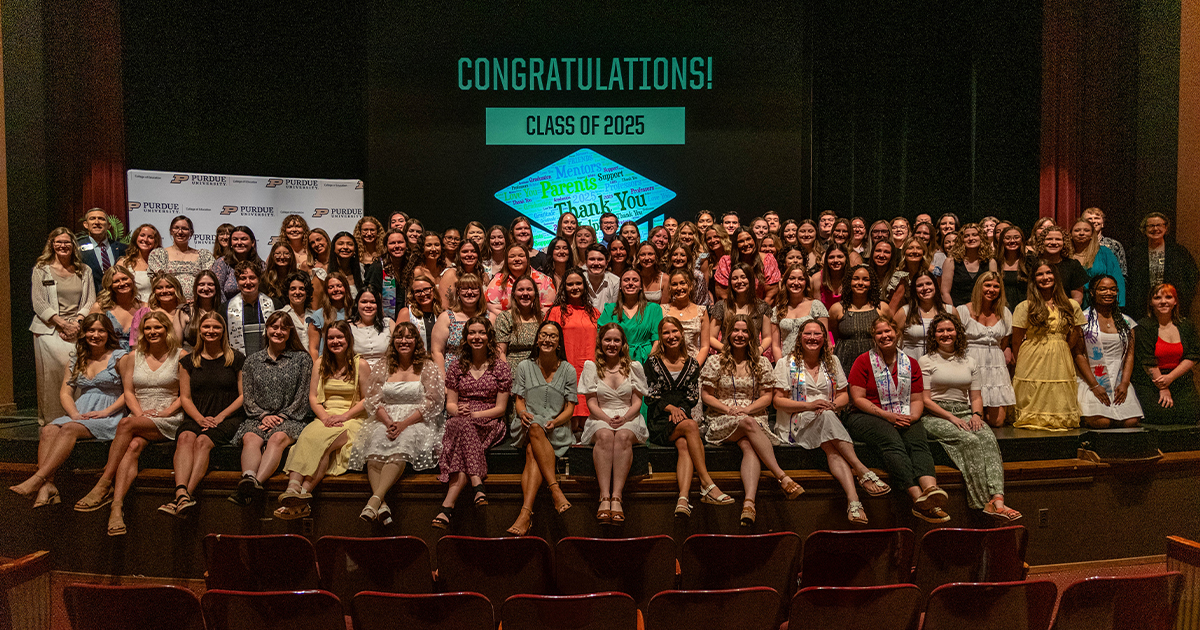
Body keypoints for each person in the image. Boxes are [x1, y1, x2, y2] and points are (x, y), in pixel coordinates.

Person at [773, 319, 889, 525]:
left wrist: (832, 405)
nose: (812, 338)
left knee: (830, 446)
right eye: (807, 334)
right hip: (797, 422)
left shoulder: (832, 362)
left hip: (826, 419)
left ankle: (853, 500)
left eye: (817, 334)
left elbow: (844, 395)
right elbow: (778, 401)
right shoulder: (785, 363)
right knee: (826, 418)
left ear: (824, 338)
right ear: (800, 338)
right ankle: (861, 469)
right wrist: (810, 406)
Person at [10, 314, 125, 508]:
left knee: (70, 429)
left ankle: (38, 479)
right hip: (81, 411)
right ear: (84, 333)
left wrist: (106, 412)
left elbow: (130, 392)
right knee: (48, 429)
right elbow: (65, 392)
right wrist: (74, 414)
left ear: (108, 333)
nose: (95, 335)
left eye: (100, 330)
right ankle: (49, 485)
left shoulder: (120, 357)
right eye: (91, 330)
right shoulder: (77, 358)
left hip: (111, 413)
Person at [701, 316, 804, 526]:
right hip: (721, 418)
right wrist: (729, 409)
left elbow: (767, 396)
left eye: (745, 331)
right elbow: (707, 395)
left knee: (749, 446)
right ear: (728, 335)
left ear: (752, 336)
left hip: (753, 415)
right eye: (736, 331)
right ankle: (782, 476)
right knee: (748, 424)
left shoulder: (761, 362)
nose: (740, 335)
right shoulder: (715, 360)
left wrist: (747, 409)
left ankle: (749, 503)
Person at [846, 316, 949, 523]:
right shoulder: (864, 361)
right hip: (866, 415)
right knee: (892, 439)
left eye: (888, 331)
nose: (885, 336)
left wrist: (912, 418)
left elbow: (917, 398)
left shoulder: (909, 363)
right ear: (873, 337)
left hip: (902, 414)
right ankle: (917, 498)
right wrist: (887, 416)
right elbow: (857, 399)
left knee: (918, 439)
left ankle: (931, 489)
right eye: (879, 333)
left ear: (896, 333)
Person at [918, 312, 1020, 521]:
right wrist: (951, 418)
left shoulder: (969, 360)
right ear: (934, 335)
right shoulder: (926, 361)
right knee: (970, 441)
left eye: (949, 329)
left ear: (957, 332)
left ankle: (998, 499)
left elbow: (976, 396)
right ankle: (982, 502)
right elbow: (926, 400)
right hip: (935, 414)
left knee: (988, 438)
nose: (946, 334)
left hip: (965, 412)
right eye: (940, 330)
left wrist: (976, 415)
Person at [96, 312, 184, 535]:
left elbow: (186, 395)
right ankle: (116, 508)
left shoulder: (181, 356)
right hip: (141, 416)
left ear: (167, 329)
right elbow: (128, 392)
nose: (153, 332)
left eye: (157, 327)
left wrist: (165, 412)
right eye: (148, 328)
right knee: (133, 446)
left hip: (169, 417)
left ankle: (103, 483)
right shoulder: (133, 357)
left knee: (126, 425)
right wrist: (140, 414)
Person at [349, 323, 444, 524]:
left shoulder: (427, 366)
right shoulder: (384, 366)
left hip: (416, 420)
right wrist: (388, 421)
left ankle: (374, 500)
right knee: (374, 453)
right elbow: (373, 398)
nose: (404, 341)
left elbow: (433, 400)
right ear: (394, 342)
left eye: (409, 337)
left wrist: (403, 424)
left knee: (400, 448)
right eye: (399, 337)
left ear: (416, 341)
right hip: (386, 417)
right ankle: (381, 505)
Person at [274, 321, 370, 519]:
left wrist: (344, 416)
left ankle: (303, 492)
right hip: (326, 416)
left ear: (348, 339)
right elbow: (313, 398)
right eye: (331, 338)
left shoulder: (361, 364)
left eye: (339, 337)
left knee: (324, 444)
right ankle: (293, 490)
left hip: (351, 418)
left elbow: (368, 400)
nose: (335, 341)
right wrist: (325, 417)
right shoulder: (320, 363)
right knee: (308, 436)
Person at [159, 312, 244, 517]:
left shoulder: (236, 358)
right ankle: (181, 491)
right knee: (186, 437)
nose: (211, 331)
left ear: (223, 331)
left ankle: (186, 494)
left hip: (228, 417)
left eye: (216, 327)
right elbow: (185, 398)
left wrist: (221, 416)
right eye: (206, 327)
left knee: (203, 441)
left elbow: (243, 396)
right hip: (198, 415)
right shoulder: (189, 361)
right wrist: (198, 418)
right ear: (200, 331)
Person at [432, 316, 512, 529]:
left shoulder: (500, 367)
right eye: (472, 333)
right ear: (465, 337)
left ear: (489, 337)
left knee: (462, 429)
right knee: (461, 426)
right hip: (460, 419)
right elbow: (450, 404)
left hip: (489, 422)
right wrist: (459, 410)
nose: (477, 337)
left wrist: (474, 415)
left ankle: (448, 506)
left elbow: (501, 409)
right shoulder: (457, 367)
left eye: (481, 333)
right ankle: (476, 485)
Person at [226, 311, 313, 506]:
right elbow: (247, 397)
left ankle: (254, 484)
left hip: (291, 419)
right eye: (274, 327)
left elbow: (303, 396)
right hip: (259, 418)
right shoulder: (252, 361)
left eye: (284, 328)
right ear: (266, 330)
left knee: (277, 438)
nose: (278, 331)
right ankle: (248, 478)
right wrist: (263, 416)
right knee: (250, 437)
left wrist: (282, 416)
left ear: (290, 332)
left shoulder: (302, 359)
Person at [505, 321, 577, 535]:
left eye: (553, 336)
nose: (547, 339)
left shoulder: (568, 369)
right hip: (527, 424)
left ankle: (525, 514)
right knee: (535, 426)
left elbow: (570, 409)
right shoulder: (524, 367)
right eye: (544, 335)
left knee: (531, 451)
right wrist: (521, 413)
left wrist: (556, 421)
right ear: (537, 340)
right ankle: (555, 489)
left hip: (555, 427)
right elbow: (519, 401)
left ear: (559, 342)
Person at [580, 323, 648, 526]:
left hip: (628, 416)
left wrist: (625, 418)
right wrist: (605, 419)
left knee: (624, 436)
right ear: (601, 342)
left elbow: (637, 402)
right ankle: (604, 497)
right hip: (601, 416)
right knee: (606, 435)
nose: (611, 344)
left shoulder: (634, 367)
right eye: (607, 339)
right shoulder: (591, 367)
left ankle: (617, 497)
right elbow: (591, 402)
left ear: (623, 343)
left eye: (616, 340)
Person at [32, 228, 97, 423]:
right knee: (54, 375)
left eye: (67, 242)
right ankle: (52, 420)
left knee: (79, 371)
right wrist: (61, 324)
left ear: (73, 245)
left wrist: (77, 323)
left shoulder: (84, 270)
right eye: (58, 242)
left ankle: (77, 417)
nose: (63, 246)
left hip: (78, 329)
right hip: (49, 330)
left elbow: (89, 301)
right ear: (52, 244)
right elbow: (38, 302)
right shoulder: (41, 269)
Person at [1011, 263, 1086, 430]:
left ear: (1056, 277)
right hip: (1032, 355)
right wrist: (1021, 361)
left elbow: (1076, 333)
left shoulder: (1071, 305)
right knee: (1033, 392)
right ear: (1033, 280)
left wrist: (1061, 347)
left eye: (1049, 273)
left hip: (1060, 354)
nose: (1045, 277)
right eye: (1040, 274)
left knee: (1057, 392)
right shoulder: (1025, 306)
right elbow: (1016, 340)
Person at [1073, 276, 1142, 428]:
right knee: (1102, 422)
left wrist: (1124, 383)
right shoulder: (1083, 320)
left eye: (1112, 289)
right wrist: (1094, 385)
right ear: (1092, 292)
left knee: (1131, 421)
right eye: (1102, 289)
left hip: (1118, 379)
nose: (1108, 292)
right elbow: (1078, 354)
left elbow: (1130, 355)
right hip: (1091, 379)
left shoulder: (1126, 322)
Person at [1132, 283, 1200, 425]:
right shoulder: (1143, 326)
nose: (1163, 301)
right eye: (1157, 298)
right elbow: (1147, 360)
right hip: (1151, 382)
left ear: (1175, 301)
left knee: (1191, 413)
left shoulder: (1186, 325)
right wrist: (1163, 388)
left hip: (1178, 379)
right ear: (1151, 302)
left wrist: (1170, 378)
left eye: (1168, 297)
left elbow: (1193, 355)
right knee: (1161, 414)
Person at [545, 268, 601, 432]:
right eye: (570, 284)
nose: (575, 287)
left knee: (586, 423)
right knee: (568, 424)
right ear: (564, 288)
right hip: (564, 370)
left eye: (578, 283)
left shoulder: (594, 313)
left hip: (589, 370)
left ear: (584, 286)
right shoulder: (555, 312)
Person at [957, 272, 1016, 427]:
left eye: (996, 286)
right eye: (987, 285)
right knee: (975, 419)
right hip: (971, 360)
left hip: (995, 365)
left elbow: (1004, 342)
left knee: (997, 421)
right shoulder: (962, 311)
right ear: (979, 286)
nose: (992, 289)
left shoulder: (1004, 312)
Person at [1128, 212, 1199, 319]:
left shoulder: (1178, 252)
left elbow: (1193, 276)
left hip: (1172, 308)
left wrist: (1181, 296)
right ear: (1144, 229)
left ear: (1166, 228)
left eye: (1159, 225)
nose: (1155, 229)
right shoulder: (1135, 253)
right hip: (1142, 309)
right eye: (1151, 226)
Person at [829, 264, 893, 370]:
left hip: (875, 362)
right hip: (844, 362)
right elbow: (835, 336)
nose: (860, 283)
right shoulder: (837, 309)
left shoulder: (882, 308)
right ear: (849, 282)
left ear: (871, 283)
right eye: (855, 279)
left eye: (865, 279)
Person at [600, 268, 663, 364]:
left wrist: (650, 363)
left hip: (646, 360)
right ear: (620, 286)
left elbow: (657, 340)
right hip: (616, 360)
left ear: (641, 286)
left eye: (635, 280)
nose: (630, 283)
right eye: (626, 280)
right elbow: (600, 336)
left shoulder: (654, 309)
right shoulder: (610, 309)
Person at [707, 263, 771, 355]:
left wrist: (759, 350)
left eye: (743, 277)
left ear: (750, 280)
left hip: (752, 357)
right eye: (735, 278)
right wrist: (727, 350)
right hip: (727, 357)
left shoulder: (762, 306)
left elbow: (767, 337)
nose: (739, 281)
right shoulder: (722, 306)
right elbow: (711, 337)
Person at [149, 217, 215, 304]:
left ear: (191, 232)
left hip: (197, 305)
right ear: (171, 231)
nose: (180, 232)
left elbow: (209, 282)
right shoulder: (159, 254)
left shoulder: (203, 255)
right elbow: (157, 284)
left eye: (185, 229)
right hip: (169, 305)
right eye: (176, 228)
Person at [432, 273, 488, 374]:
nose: (469, 292)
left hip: (482, 376)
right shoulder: (446, 317)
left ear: (480, 291)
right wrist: (443, 380)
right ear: (458, 292)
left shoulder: (489, 318)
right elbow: (437, 352)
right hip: (452, 377)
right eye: (465, 288)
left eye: (474, 288)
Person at [771, 264, 829, 359]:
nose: (796, 282)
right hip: (787, 363)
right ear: (785, 282)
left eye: (801, 279)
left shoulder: (816, 306)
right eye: (792, 278)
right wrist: (780, 367)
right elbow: (775, 346)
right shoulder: (777, 310)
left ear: (806, 282)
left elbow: (826, 340)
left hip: (812, 362)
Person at [485, 243, 556, 315]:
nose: (517, 259)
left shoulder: (544, 280)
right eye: (512, 256)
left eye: (521, 256)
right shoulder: (498, 280)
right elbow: (490, 306)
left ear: (527, 259)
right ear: (506, 260)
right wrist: (509, 320)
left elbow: (548, 308)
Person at [897, 271, 954, 359]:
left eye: (928, 283)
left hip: (941, 362)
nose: (925, 288)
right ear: (914, 290)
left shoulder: (950, 311)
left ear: (935, 285)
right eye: (920, 285)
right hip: (911, 362)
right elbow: (894, 340)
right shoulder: (904, 312)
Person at [714, 228, 782, 303]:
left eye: (748, 239)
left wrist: (759, 313)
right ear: (735, 245)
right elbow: (723, 295)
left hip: (762, 309)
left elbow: (770, 295)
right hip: (732, 309)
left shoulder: (768, 260)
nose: (746, 244)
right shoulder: (726, 262)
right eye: (741, 241)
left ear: (754, 240)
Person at [90, 265, 148, 351]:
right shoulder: (101, 307)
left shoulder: (145, 307)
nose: (122, 283)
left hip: (138, 356)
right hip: (108, 357)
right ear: (109, 285)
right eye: (116, 281)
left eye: (124, 279)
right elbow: (89, 335)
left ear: (132, 280)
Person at [1070, 219, 1125, 306]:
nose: (1081, 233)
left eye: (1086, 230)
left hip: (1100, 303)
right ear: (1071, 234)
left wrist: (1119, 304)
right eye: (1077, 230)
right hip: (1072, 302)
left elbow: (1117, 279)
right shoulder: (1065, 255)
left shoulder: (1104, 252)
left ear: (1092, 235)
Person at [225, 261, 275, 356]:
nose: (248, 282)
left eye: (252, 278)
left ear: (259, 280)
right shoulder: (225, 308)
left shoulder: (274, 304)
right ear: (237, 281)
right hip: (238, 362)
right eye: (243, 278)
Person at [940, 224, 997, 306]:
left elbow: (993, 290)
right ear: (961, 240)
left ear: (981, 238)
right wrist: (954, 314)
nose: (971, 238)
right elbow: (945, 293)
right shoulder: (950, 262)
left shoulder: (991, 262)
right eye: (966, 236)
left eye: (975, 235)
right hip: (957, 310)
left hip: (983, 311)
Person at [495, 275, 542, 373]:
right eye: (520, 290)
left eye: (529, 289)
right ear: (513, 294)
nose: (525, 293)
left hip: (539, 371)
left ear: (535, 294)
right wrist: (506, 374)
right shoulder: (505, 318)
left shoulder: (542, 317)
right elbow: (500, 352)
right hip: (513, 373)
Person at [1031, 224, 1088, 304]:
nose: (1054, 242)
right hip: (1037, 311)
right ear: (1042, 242)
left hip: (1065, 312)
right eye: (1049, 239)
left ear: (1064, 243)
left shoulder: (1073, 265)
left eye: (1058, 239)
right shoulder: (1032, 263)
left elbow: (1077, 299)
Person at [78, 208, 128, 294]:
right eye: (92, 218)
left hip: (117, 297)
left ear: (108, 225)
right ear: (86, 224)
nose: (97, 222)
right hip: (89, 297)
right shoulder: (77, 247)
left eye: (101, 219)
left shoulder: (122, 248)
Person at [350, 287, 394, 376]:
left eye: (373, 302)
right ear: (357, 304)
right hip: (358, 375)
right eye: (364, 302)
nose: (368, 305)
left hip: (386, 374)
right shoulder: (348, 327)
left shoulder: (389, 323)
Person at [211, 226, 264, 300]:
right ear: (231, 243)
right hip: (227, 309)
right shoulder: (222, 263)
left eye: (243, 239)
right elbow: (217, 291)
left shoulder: (261, 265)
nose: (239, 243)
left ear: (252, 242)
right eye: (235, 239)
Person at [395, 276, 441, 352]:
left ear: (433, 290)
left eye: (426, 290)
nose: (423, 294)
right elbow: (398, 341)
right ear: (413, 295)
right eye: (418, 291)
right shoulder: (406, 313)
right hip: (416, 360)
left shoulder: (441, 314)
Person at [277, 272, 319, 354]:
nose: (297, 292)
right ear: (287, 292)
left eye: (301, 289)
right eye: (293, 289)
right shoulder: (279, 315)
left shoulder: (315, 316)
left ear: (307, 293)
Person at [439, 239, 487, 309]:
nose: (470, 255)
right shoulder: (451, 274)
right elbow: (444, 306)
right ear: (458, 255)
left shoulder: (483, 275)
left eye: (473, 251)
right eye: (465, 252)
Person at [144, 273, 190, 345]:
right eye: (159, 288)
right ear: (154, 291)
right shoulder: (146, 313)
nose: (164, 291)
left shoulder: (187, 311)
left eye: (169, 287)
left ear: (177, 289)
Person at [182, 270, 223, 350]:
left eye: (210, 284)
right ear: (195, 287)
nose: (206, 288)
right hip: (189, 358)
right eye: (201, 284)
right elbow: (176, 345)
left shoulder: (223, 310)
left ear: (216, 287)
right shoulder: (184, 311)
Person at [120, 224, 161, 302]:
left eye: (150, 237)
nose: (145, 239)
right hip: (133, 308)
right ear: (136, 238)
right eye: (142, 235)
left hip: (156, 308)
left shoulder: (161, 263)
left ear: (155, 241)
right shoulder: (124, 263)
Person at [1081, 207, 1127, 276]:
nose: (1093, 221)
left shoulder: (1114, 245)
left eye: (1097, 218)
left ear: (1102, 224)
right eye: (1089, 219)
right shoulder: (1078, 244)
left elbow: (1122, 273)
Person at [665, 243, 711, 307]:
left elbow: (703, 302)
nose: (678, 258)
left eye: (682, 255)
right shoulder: (666, 276)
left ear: (688, 258)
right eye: (675, 255)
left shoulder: (697, 276)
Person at [996, 226, 1029, 312]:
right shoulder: (995, 262)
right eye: (1007, 238)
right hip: (1001, 309)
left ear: (1022, 240)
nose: (1012, 241)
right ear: (1002, 241)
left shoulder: (1029, 261)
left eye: (1016, 237)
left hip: (1025, 309)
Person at [329, 231, 366, 300]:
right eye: (340, 244)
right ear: (333, 248)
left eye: (350, 244)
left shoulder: (361, 269)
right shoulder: (324, 271)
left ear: (355, 249)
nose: (345, 247)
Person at [813, 244, 850, 310]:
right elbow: (817, 310)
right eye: (831, 257)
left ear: (846, 258)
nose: (835, 260)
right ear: (826, 260)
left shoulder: (852, 277)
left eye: (840, 257)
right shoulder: (817, 278)